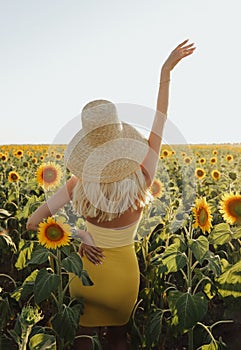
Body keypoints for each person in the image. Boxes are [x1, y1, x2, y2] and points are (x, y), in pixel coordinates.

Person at [26, 39, 195, 349]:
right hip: (123, 280)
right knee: (118, 340)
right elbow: (160, 119)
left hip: (87, 278)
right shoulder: (143, 176)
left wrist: (79, 234)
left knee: (82, 340)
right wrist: (165, 70)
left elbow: (33, 222)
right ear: (121, 139)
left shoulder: (78, 184)